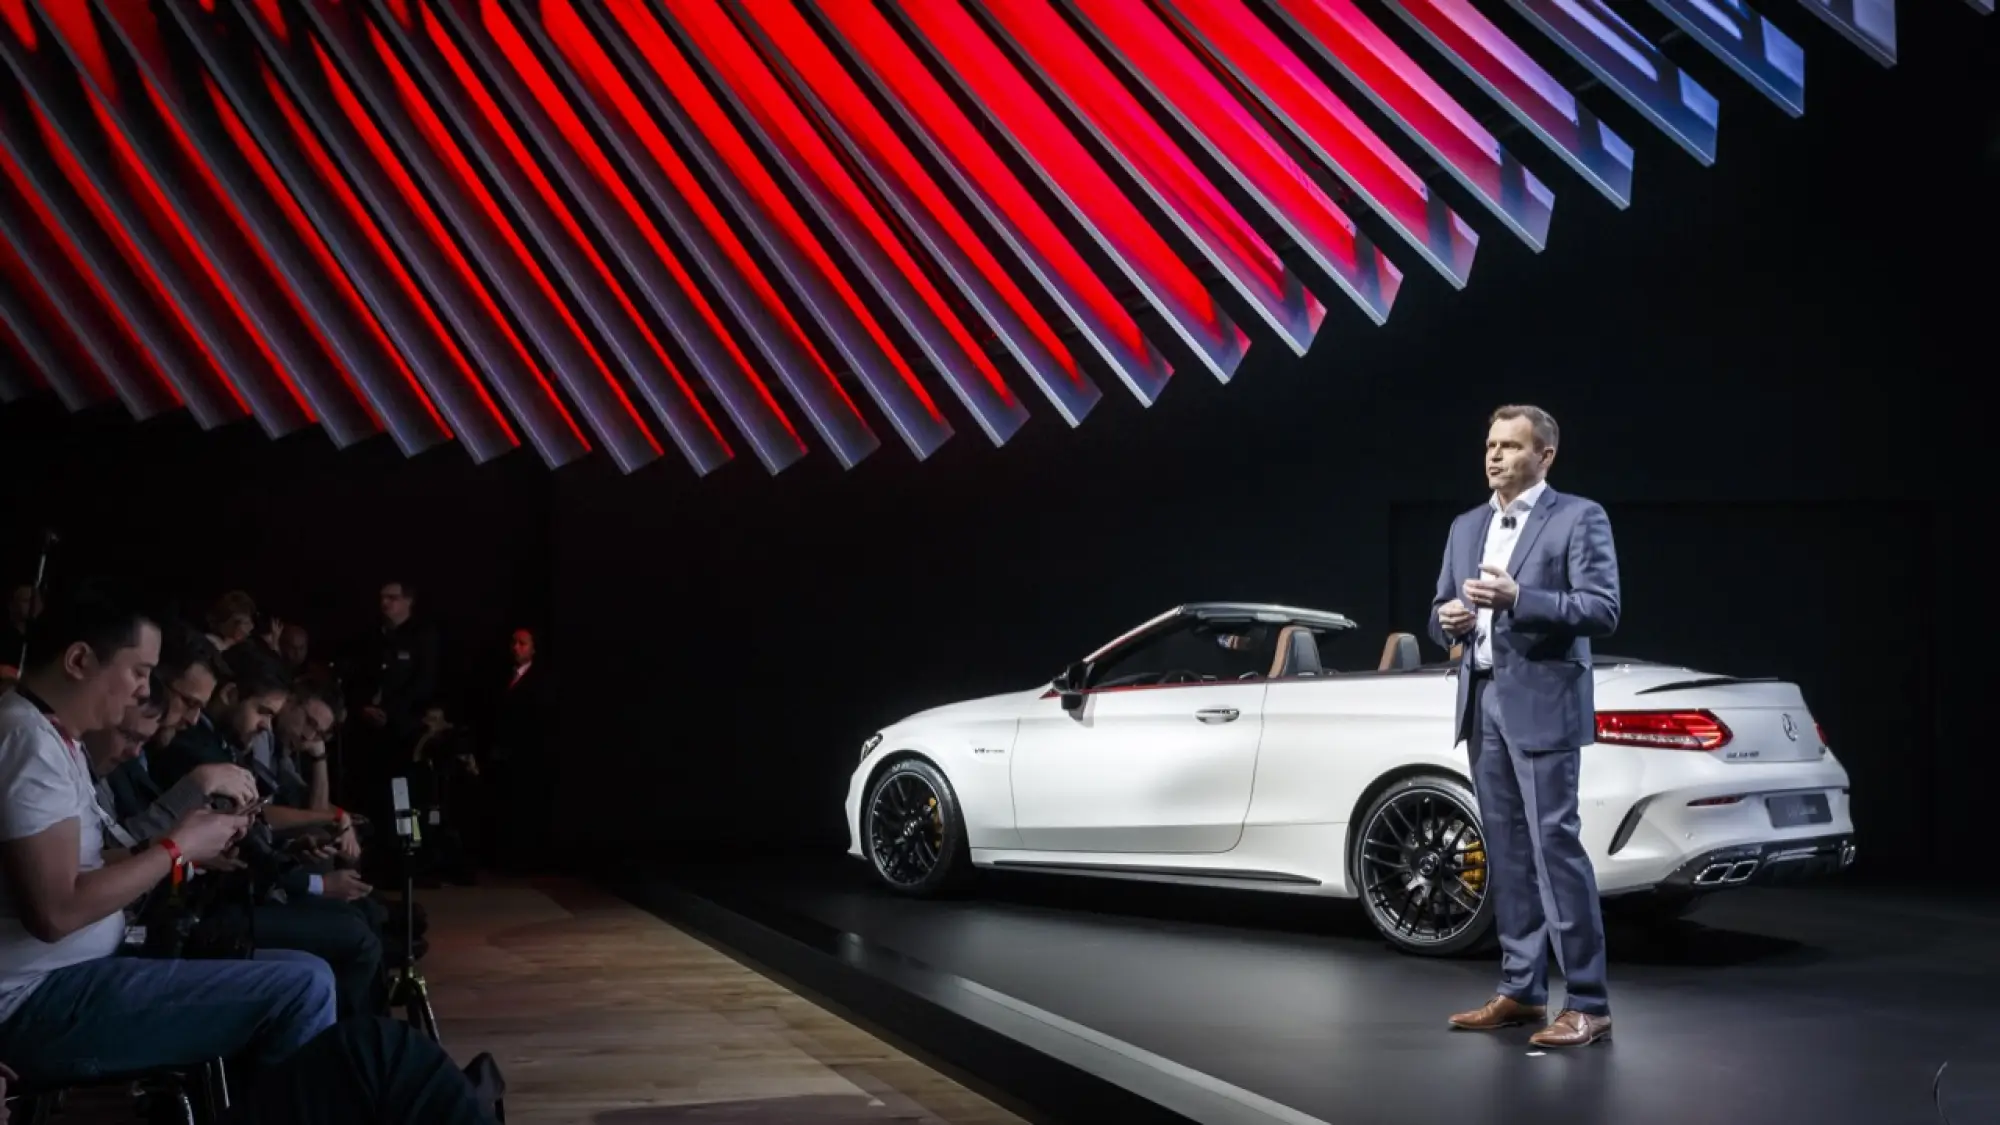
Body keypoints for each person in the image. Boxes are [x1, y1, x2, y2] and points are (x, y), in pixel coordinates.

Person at [0, 583, 335, 1081]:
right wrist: (176, 847)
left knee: (308, 973)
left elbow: (83, 870)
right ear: (78, 661)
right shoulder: (27, 741)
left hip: (73, 978)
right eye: (139, 671)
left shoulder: (53, 739)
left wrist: (178, 845)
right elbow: (55, 912)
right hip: (35, 1001)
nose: (144, 689)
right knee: (304, 987)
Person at [1429, 404, 1620, 1049]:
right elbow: (1437, 611)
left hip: (1543, 701)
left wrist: (1522, 600)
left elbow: (1602, 609)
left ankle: (1588, 1003)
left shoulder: (1578, 517)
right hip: (1482, 699)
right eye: (1490, 444)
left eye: (1511, 446)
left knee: (1553, 850)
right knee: (1507, 855)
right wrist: (1448, 621)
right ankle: (1522, 991)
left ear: (1545, 456)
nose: (1495, 456)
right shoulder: (1465, 526)